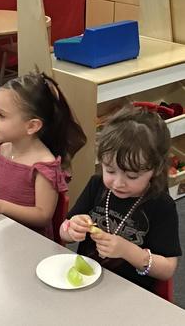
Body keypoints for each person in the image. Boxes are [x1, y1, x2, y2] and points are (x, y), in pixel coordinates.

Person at [0, 71, 86, 238]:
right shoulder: (2, 150)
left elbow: (42, 216)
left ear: (32, 126)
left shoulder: (44, 166)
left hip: (28, 242)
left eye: (1, 116)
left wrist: (1, 206)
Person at [60, 106, 182, 293]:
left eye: (132, 176)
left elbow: (167, 269)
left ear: (155, 170)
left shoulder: (161, 205)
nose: (118, 183)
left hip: (131, 291)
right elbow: (64, 231)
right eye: (109, 170)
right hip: (87, 281)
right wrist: (71, 229)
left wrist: (128, 251)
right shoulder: (97, 185)